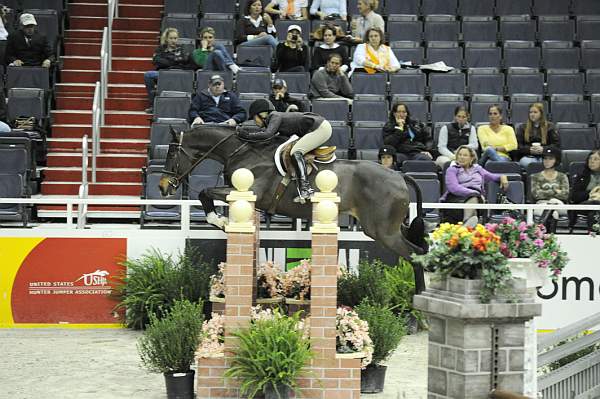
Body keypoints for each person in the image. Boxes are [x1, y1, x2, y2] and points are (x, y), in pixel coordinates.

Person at [239, 99, 332, 200]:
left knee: (296, 152)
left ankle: (305, 189)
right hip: (316, 127)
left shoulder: (274, 116)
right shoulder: (276, 118)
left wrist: (247, 135)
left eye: (254, 118)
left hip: (320, 128)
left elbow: (267, 134)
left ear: (262, 114)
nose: (254, 121)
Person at [441, 145, 509, 225]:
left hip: (477, 199)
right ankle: (467, 223)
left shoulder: (478, 169)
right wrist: (474, 193)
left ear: (472, 158)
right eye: (460, 155)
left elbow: (492, 176)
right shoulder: (452, 169)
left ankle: (467, 225)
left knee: (475, 201)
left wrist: (502, 176)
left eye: (465, 155)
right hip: (456, 199)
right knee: (474, 202)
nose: (461, 157)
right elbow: (453, 188)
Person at [144, 28, 192, 114]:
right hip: (163, 73)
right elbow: (156, 60)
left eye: (175, 38)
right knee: (148, 75)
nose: (173, 40)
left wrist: (168, 60)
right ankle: (153, 105)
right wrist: (174, 60)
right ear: (166, 39)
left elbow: (186, 59)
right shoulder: (160, 49)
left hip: (179, 74)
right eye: (171, 38)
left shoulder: (182, 48)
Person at [530, 147, 569, 233]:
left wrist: (547, 193)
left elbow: (565, 195)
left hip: (559, 204)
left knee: (554, 203)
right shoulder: (535, 177)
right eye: (545, 158)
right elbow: (536, 194)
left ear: (556, 160)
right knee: (554, 213)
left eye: (550, 159)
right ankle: (551, 236)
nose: (547, 161)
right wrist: (556, 191)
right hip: (541, 204)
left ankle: (540, 233)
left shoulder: (562, 176)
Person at [516, 102, 560, 169]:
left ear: (541, 114)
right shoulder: (522, 127)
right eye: (530, 112)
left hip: (545, 156)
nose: (532, 114)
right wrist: (529, 150)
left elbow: (556, 145)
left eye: (535, 112)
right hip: (528, 157)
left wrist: (544, 149)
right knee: (528, 163)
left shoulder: (550, 126)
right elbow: (519, 146)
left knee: (548, 162)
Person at [570, 149, 600, 232]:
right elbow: (574, 196)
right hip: (584, 205)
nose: (592, 161)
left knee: (593, 213)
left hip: (594, 209)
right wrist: (590, 193)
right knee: (594, 205)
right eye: (590, 159)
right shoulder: (582, 176)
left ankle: (593, 236)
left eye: (596, 159)